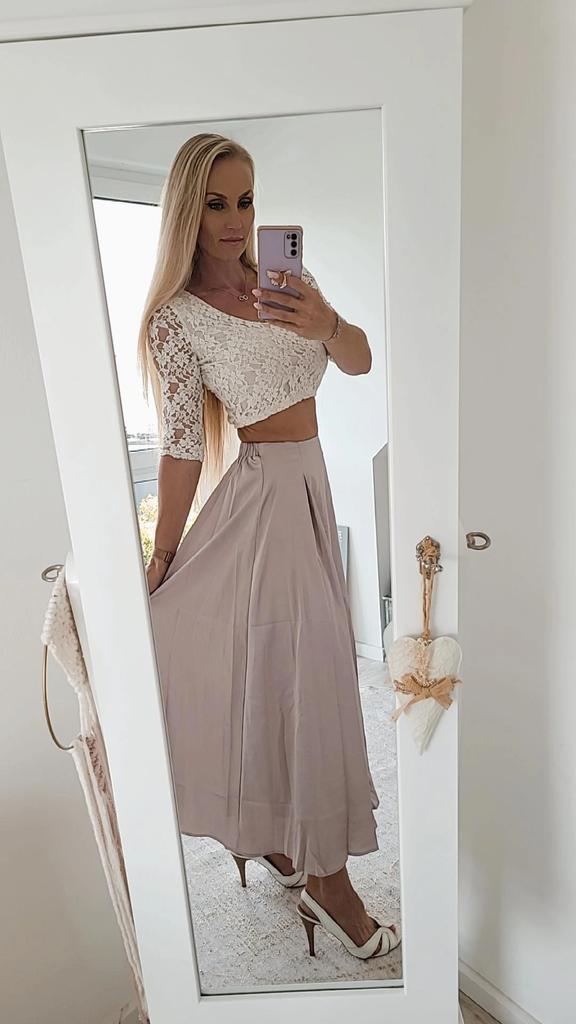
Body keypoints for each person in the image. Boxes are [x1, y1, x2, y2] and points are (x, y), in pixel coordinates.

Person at [137, 132, 400, 960]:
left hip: (309, 488)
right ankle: (327, 880)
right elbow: (182, 446)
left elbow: (358, 362)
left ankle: (284, 842)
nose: (234, 219)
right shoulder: (174, 321)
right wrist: (163, 556)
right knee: (308, 678)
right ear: (186, 210)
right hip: (263, 500)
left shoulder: (286, 281)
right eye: (215, 202)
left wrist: (328, 321)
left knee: (294, 675)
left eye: (245, 200)